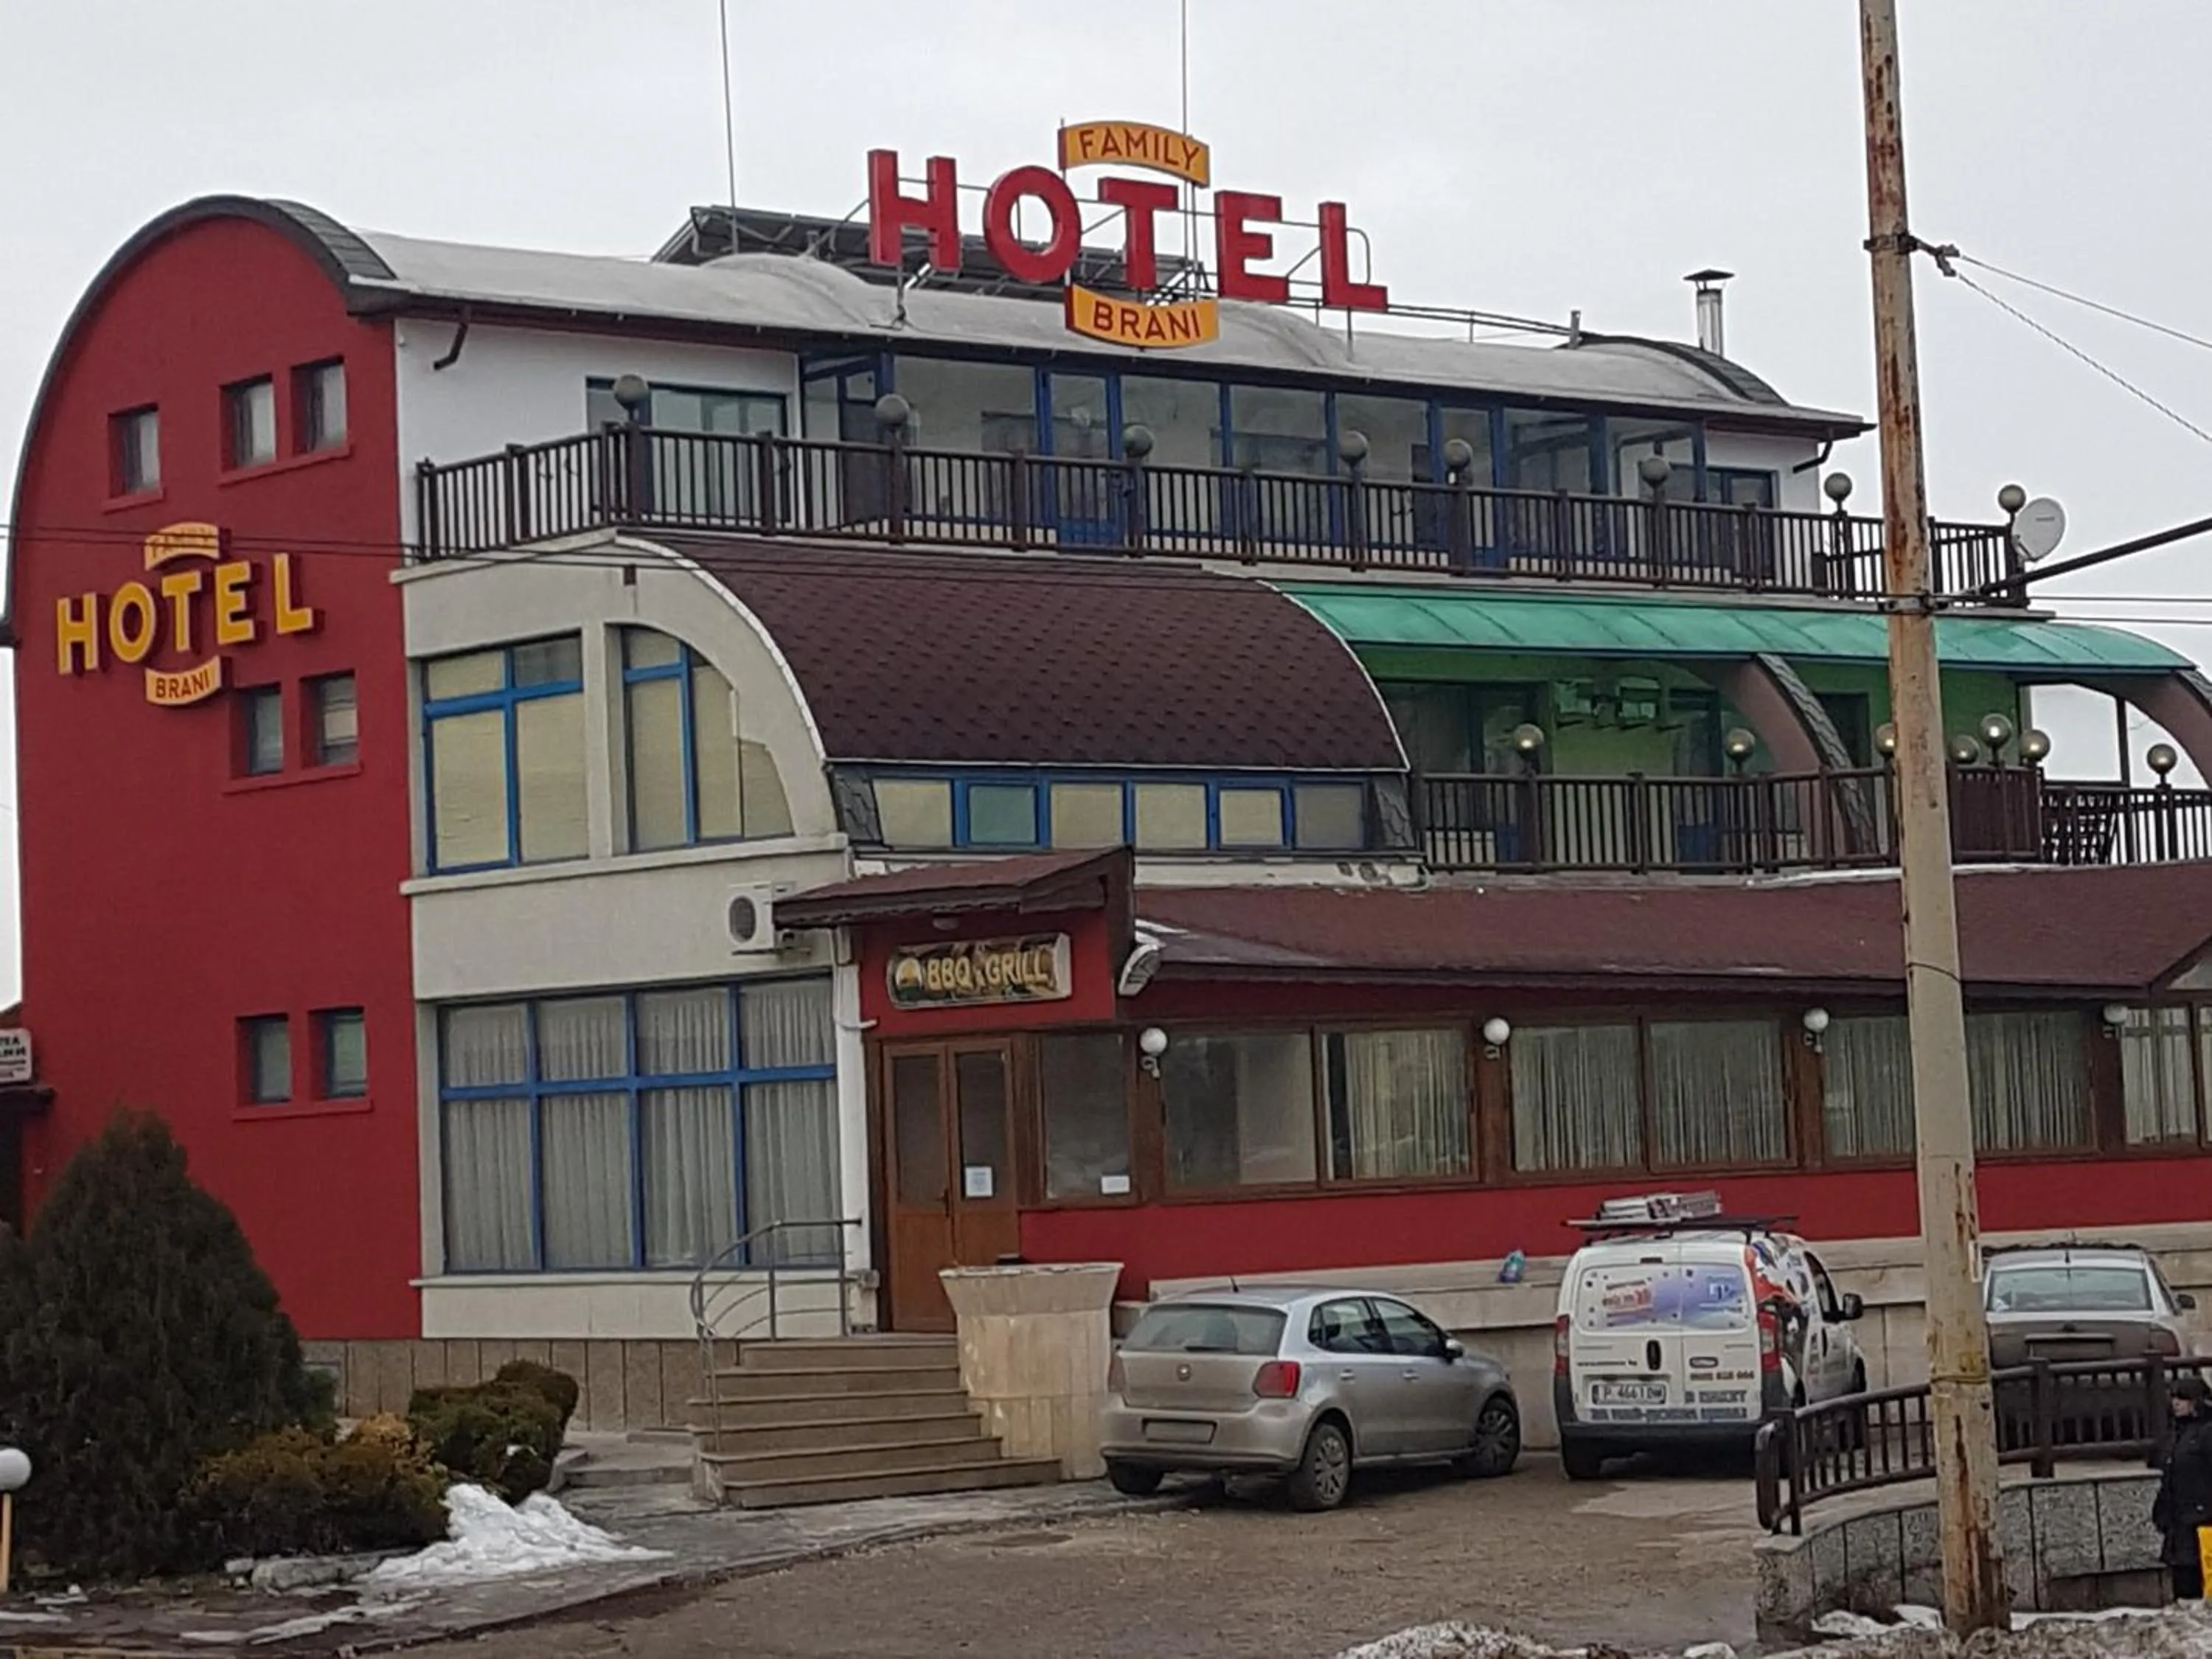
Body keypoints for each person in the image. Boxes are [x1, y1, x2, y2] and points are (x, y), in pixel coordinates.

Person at [2154, 1373, 2212, 1602]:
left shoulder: (2207, 1433)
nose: (2176, 1403)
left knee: (2201, 1580)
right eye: (2174, 1397)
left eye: (2183, 1398)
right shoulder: (2178, 1433)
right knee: (2183, 1585)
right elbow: (2170, 1476)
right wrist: (2161, 1512)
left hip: (2203, 1520)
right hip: (2178, 1522)